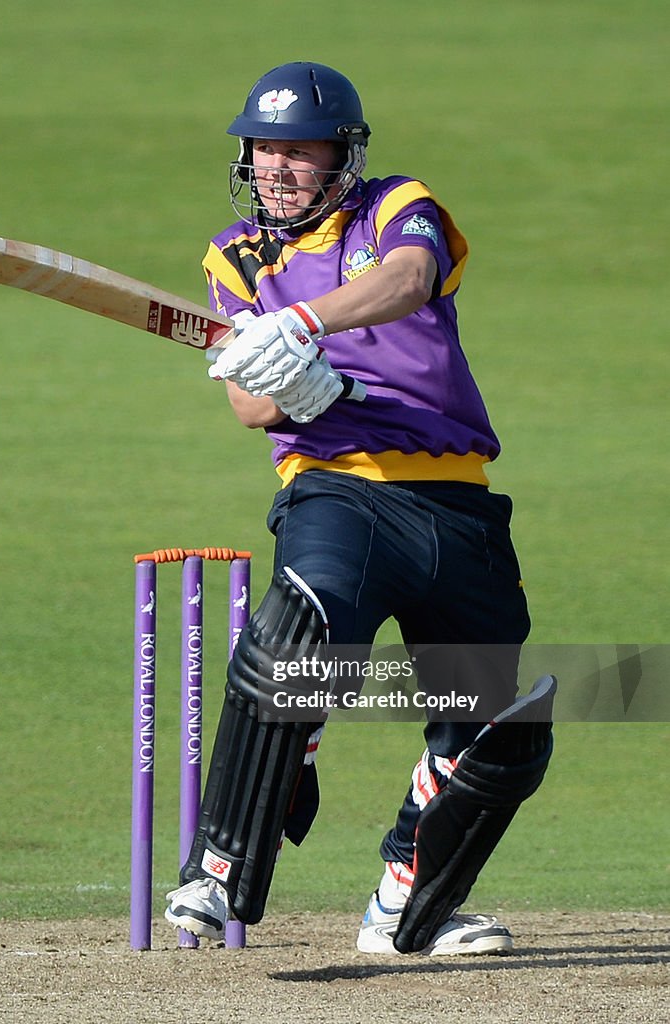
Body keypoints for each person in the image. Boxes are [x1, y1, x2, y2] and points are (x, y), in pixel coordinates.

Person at [163, 62, 554, 956]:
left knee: (498, 722)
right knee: (297, 642)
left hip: (457, 498)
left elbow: (411, 280)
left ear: (343, 153)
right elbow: (249, 408)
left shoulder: (392, 207)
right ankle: (220, 869)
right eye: (264, 152)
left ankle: (403, 904)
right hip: (337, 487)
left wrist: (302, 326)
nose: (277, 169)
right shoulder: (235, 257)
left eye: (298, 152)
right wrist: (290, 383)